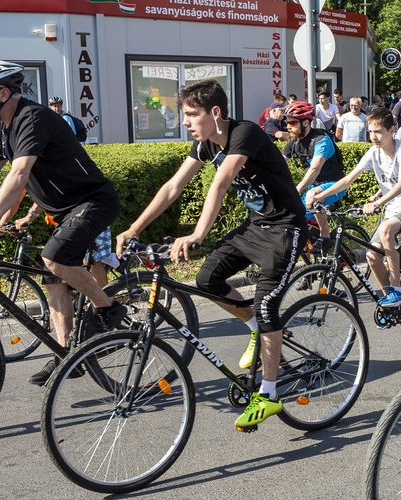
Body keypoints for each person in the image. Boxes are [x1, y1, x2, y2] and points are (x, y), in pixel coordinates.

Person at [114, 80, 307, 430]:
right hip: (256, 226)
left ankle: (270, 393)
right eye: (184, 115)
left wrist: (198, 234)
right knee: (207, 279)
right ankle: (255, 329)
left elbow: (222, 181)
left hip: (286, 228)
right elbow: (173, 186)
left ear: (215, 113)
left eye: (191, 115)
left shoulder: (244, 133)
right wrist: (134, 228)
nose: (186, 121)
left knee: (266, 306)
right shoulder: (205, 145)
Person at [0, 60, 125, 385]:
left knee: (53, 257)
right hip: (66, 210)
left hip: (92, 202)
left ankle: (108, 310)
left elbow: (19, 174)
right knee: (52, 279)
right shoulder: (5, 130)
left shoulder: (32, 118)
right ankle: (66, 355)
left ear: (3, 92)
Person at [309, 110, 401, 307]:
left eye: (378, 132)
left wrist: (377, 203)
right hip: (394, 210)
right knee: (372, 256)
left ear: (392, 130)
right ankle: (390, 299)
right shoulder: (374, 152)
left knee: (385, 229)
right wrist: (321, 195)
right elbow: (349, 179)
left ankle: (398, 290)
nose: (373, 137)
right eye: (370, 132)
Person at [283, 101, 346, 247]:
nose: (288, 126)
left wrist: (297, 189)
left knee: (312, 196)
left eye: (292, 122)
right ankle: (323, 260)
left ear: (305, 123)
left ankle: (326, 237)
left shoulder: (321, 140)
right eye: (287, 122)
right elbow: (280, 162)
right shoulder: (294, 140)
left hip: (335, 185)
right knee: (297, 216)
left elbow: (315, 169)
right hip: (315, 186)